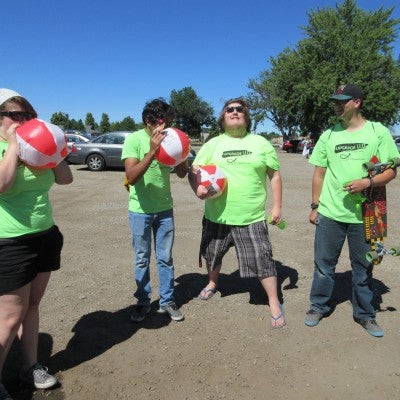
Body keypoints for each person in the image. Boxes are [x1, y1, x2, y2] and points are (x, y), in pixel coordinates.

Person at [304, 84, 399, 337]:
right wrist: (315, 206)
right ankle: (318, 306)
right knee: (324, 265)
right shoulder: (329, 135)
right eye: (335, 101)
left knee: (364, 266)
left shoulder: (377, 132)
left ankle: (365, 315)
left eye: (342, 100)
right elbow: (319, 173)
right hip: (331, 212)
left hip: (368, 213)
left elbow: (391, 170)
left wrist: (366, 183)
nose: (337, 105)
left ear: (356, 102)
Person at [0, 88, 73, 399]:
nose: (24, 120)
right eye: (16, 115)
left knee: (31, 307)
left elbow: (65, 178)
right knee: (9, 314)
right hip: (9, 241)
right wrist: (15, 145)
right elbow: (2, 185)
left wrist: (54, 150)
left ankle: (30, 366)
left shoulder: (34, 147)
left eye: (28, 115)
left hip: (44, 235)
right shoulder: (6, 147)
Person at [188, 98, 285, 328]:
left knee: (263, 259)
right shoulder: (212, 144)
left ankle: (274, 301)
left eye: (239, 109)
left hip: (250, 217)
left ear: (246, 116)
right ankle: (212, 283)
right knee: (212, 255)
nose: (234, 112)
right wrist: (197, 189)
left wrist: (277, 206)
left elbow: (275, 176)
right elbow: (194, 171)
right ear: (223, 117)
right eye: (229, 109)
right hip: (216, 216)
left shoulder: (261, 143)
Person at [122, 98, 187, 323]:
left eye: (170, 121)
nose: (167, 126)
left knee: (165, 258)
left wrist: (182, 153)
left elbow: (181, 173)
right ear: (149, 121)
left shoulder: (170, 138)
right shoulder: (134, 140)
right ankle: (142, 302)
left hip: (164, 209)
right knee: (142, 258)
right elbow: (131, 177)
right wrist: (152, 151)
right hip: (140, 211)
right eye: (163, 121)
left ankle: (167, 301)